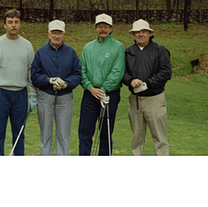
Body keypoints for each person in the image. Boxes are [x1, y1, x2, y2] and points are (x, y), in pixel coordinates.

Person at [0, 8, 37, 156]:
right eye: (10, 22)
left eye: (16, 22)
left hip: (20, 95)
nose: (13, 25)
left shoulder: (27, 45)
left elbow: (30, 72)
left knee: (19, 135)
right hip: (1, 94)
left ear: (20, 24)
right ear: (4, 25)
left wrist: (33, 94)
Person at [31, 20, 82, 156]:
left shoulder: (71, 52)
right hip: (45, 96)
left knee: (63, 136)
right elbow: (34, 76)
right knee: (45, 135)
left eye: (59, 33)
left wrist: (67, 83)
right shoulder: (41, 52)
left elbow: (77, 74)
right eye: (54, 33)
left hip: (65, 97)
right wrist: (49, 80)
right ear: (48, 34)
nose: (57, 36)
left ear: (64, 34)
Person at [122, 19, 172, 156]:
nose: (140, 34)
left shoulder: (160, 50)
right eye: (137, 32)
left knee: (159, 138)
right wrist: (130, 80)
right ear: (133, 34)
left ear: (149, 33)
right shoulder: (129, 51)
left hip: (154, 99)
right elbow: (122, 72)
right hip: (135, 100)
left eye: (143, 31)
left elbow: (166, 72)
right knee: (137, 138)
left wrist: (147, 83)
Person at [78, 13, 125, 155]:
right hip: (89, 94)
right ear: (95, 28)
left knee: (105, 133)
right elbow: (82, 70)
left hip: (109, 95)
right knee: (85, 132)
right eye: (100, 26)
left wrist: (103, 90)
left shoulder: (118, 47)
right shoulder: (88, 47)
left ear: (111, 29)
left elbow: (117, 72)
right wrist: (90, 88)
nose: (102, 29)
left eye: (106, 26)